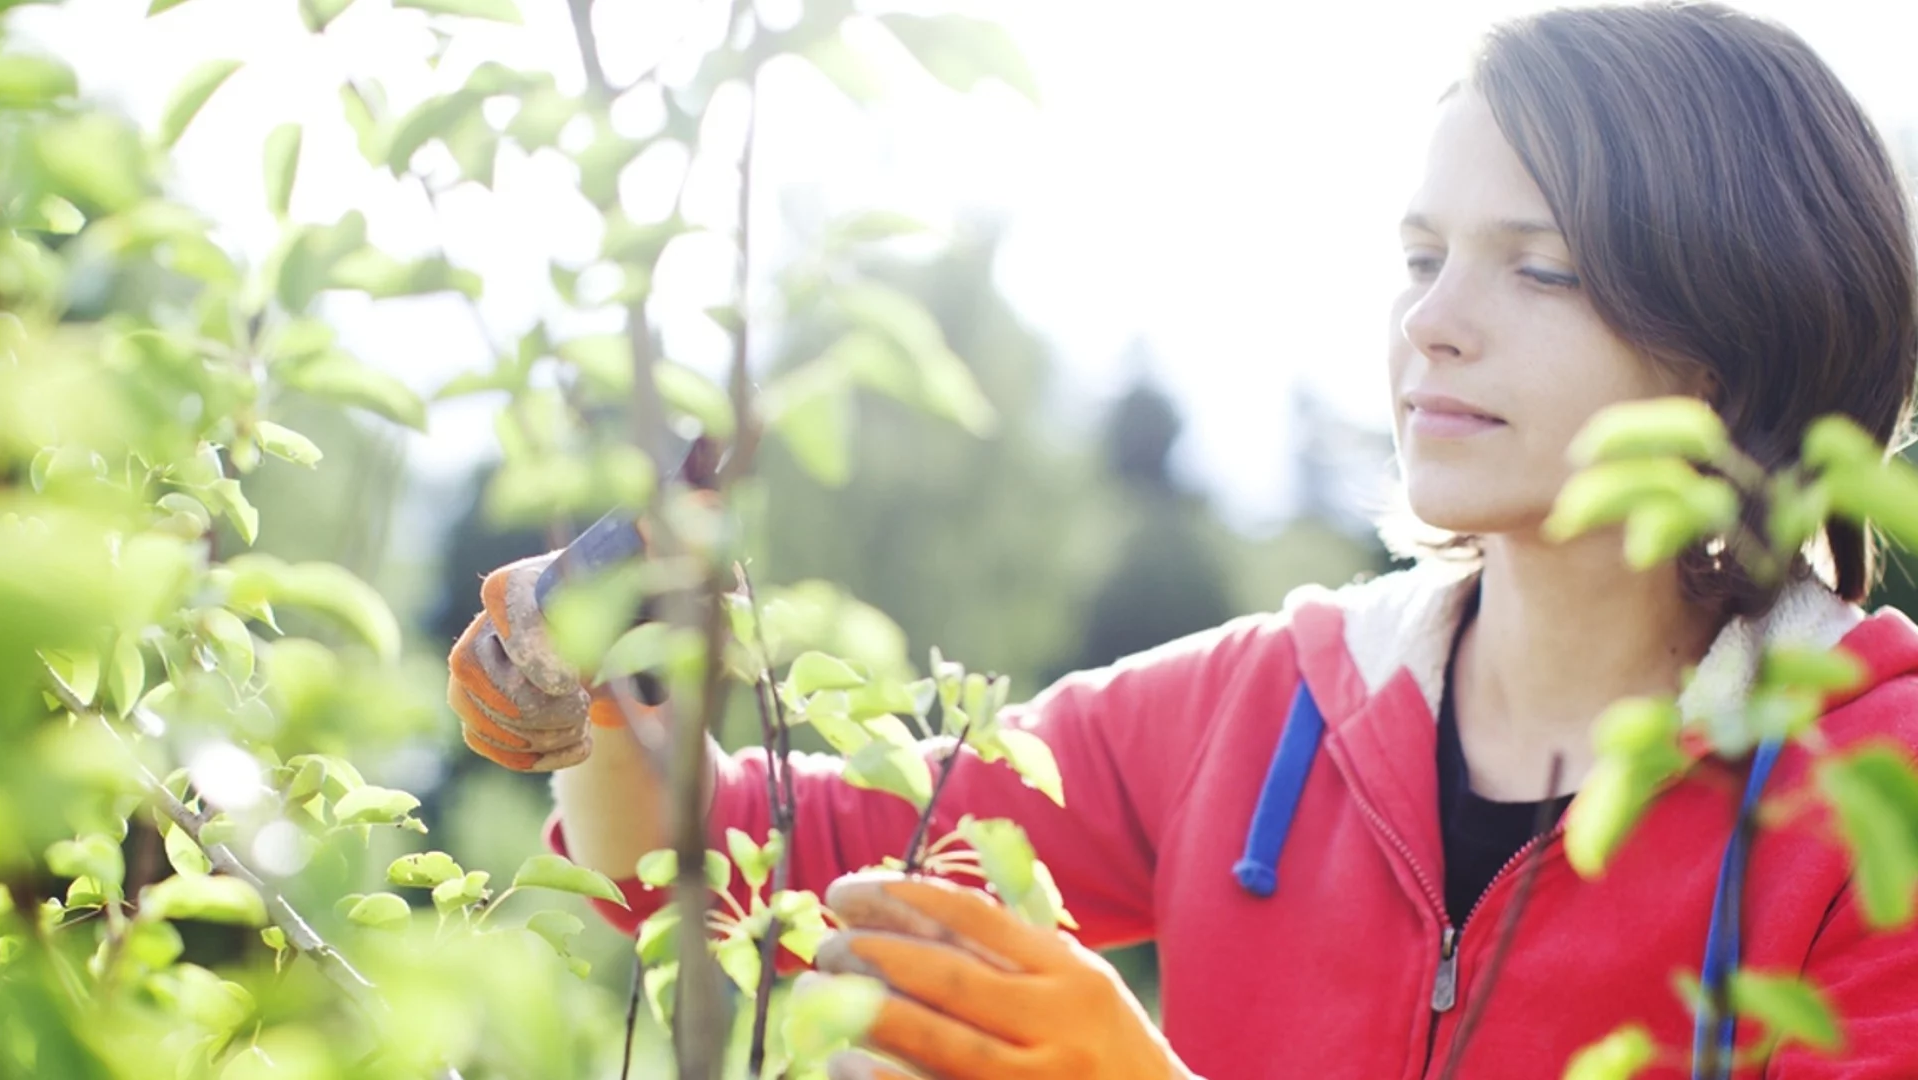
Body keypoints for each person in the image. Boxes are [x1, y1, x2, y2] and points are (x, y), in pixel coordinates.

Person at [445, 3, 1918, 1077]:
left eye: (1538, 269)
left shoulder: (1875, 799)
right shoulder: (1272, 707)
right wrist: (588, 700)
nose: (1429, 323)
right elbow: (779, 864)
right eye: (1419, 258)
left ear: (1735, 334)